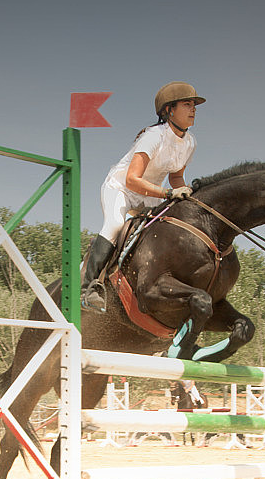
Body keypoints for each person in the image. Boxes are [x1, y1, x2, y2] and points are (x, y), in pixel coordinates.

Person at [81, 81, 206, 312]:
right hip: (121, 188)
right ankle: (88, 288)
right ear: (169, 110)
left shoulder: (190, 142)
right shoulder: (154, 136)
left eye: (195, 105)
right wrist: (169, 193)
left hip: (151, 193)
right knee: (115, 224)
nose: (193, 109)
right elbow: (132, 179)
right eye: (187, 104)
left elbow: (176, 178)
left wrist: (185, 192)